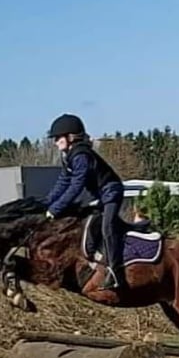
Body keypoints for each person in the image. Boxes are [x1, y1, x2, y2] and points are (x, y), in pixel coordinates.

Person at [44, 113, 126, 290]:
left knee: (107, 227)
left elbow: (76, 186)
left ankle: (115, 272)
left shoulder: (81, 155)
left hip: (111, 192)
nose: (55, 141)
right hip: (99, 195)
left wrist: (56, 209)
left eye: (58, 137)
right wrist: (46, 203)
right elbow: (63, 182)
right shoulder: (69, 156)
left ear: (70, 137)